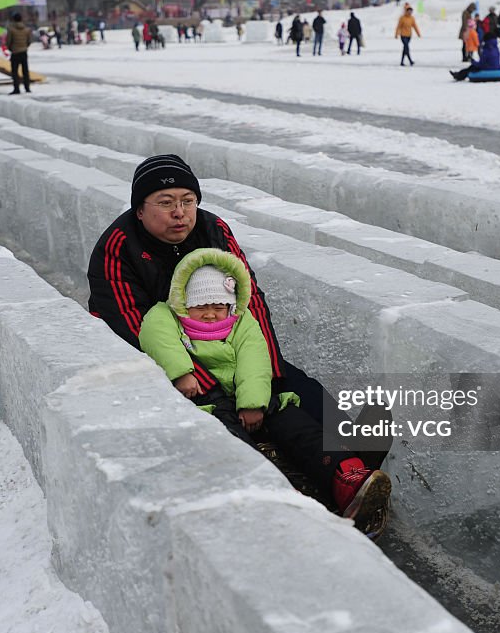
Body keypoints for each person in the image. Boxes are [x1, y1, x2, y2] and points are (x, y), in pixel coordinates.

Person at [87, 154, 392, 471]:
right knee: (221, 409)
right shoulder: (118, 245)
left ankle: (352, 446)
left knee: (291, 382)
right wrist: (211, 386)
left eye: (187, 201)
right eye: (165, 203)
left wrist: (266, 368)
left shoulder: (212, 228)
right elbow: (136, 329)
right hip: (160, 354)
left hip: (220, 339)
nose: (179, 213)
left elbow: (248, 298)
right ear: (140, 210)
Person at [138, 247, 391, 536]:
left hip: (249, 395)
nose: (209, 314)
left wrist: (253, 402)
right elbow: (156, 337)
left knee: (296, 423)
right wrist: (182, 372)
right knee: (231, 441)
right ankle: (278, 493)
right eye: (200, 306)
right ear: (182, 302)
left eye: (218, 306)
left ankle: (346, 474)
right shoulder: (166, 316)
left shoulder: (241, 322)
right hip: (205, 403)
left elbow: (255, 359)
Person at [4, 12, 31, 94]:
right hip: (24, 52)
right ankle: (27, 88)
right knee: (25, 71)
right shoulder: (27, 30)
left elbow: (8, 41)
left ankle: (16, 88)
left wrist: (10, 48)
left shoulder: (11, 30)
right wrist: (25, 47)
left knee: (15, 72)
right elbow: (29, 41)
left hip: (15, 52)